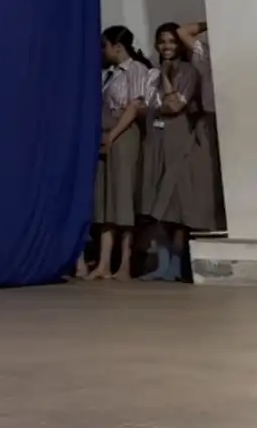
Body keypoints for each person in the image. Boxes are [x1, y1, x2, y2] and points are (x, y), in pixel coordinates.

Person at [139, 22, 213, 281]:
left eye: (171, 41)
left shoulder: (188, 71)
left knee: (176, 203)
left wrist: (167, 77)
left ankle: (177, 263)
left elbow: (174, 106)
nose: (166, 46)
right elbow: (144, 107)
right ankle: (161, 262)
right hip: (155, 138)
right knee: (154, 199)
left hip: (178, 136)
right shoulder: (151, 72)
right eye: (162, 41)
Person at [85, 25, 149, 280]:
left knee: (123, 198)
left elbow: (134, 106)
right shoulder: (109, 74)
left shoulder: (136, 70)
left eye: (105, 46)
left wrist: (113, 134)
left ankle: (124, 263)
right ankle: (103, 263)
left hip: (124, 133)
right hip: (107, 131)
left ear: (117, 46)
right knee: (106, 199)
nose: (103, 51)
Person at [175, 19, 226, 233]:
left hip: (232, 119)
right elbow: (182, 31)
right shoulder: (205, 53)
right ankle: (213, 223)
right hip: (209, 119)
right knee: (209, 175)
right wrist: (214, 19)